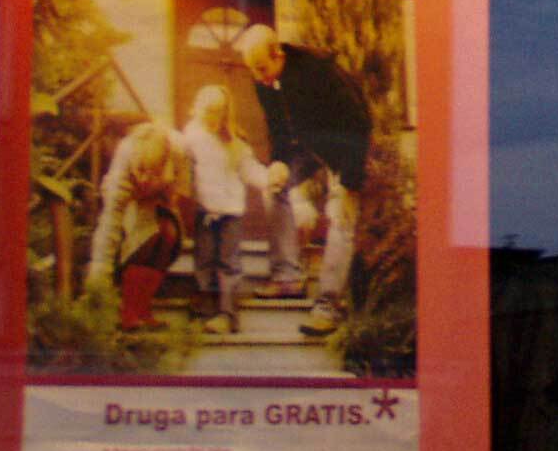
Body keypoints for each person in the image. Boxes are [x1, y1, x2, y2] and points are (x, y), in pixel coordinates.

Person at [237, 23, 373, 337]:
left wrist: (349, 182)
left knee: (341, 216)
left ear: (278, 54)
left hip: (344, 144)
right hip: (307, 144)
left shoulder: (318, 70)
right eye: (252, 71)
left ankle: (328, 307)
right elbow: (277, 127)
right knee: (274, 188)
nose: (258, 77)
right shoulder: (263, 79)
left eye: (262, 68)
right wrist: (279, 162)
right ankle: (287, 277)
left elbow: (358, 123)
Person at [179, 83, 274, 333]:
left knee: (229, 262)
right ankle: (205, 309)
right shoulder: (191, 137)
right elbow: (179, 161)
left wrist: (268, 179)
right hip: (205, 211)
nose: (213, 117)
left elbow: (249, 168)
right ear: (198, 110)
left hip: (231, 212)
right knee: (204, 260)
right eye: (208, 111)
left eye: (218, 112)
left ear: (225, 113)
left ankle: (227, 313)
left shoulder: (234, 142)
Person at [86, 121, 189, 330]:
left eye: (150, 171)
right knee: (144, 240)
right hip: (130, 198)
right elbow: (110, 223)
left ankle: (143, 308)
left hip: (160, 195)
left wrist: (166, 194)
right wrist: (99, 276)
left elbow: (180, 189)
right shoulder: (125, 157)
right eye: (141, 170)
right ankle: (128, 311)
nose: (144, 177)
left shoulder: (178, 149)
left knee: (168, 235)